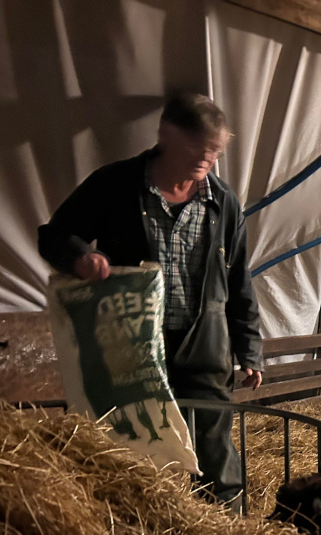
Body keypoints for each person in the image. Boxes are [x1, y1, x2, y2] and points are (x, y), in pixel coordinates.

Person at [38, 93, 263, 512]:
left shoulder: (223, 202)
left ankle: (229, 531)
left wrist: (249, 347)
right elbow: (54, 235)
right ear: (166, 136)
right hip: (132, 345)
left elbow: (238, 278)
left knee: (213, 448)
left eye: (214, 151)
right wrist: (80, 259)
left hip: (203, 343)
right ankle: (134, 529)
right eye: (198, 147)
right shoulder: (116, 186)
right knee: (132, 447)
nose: (206, 159)